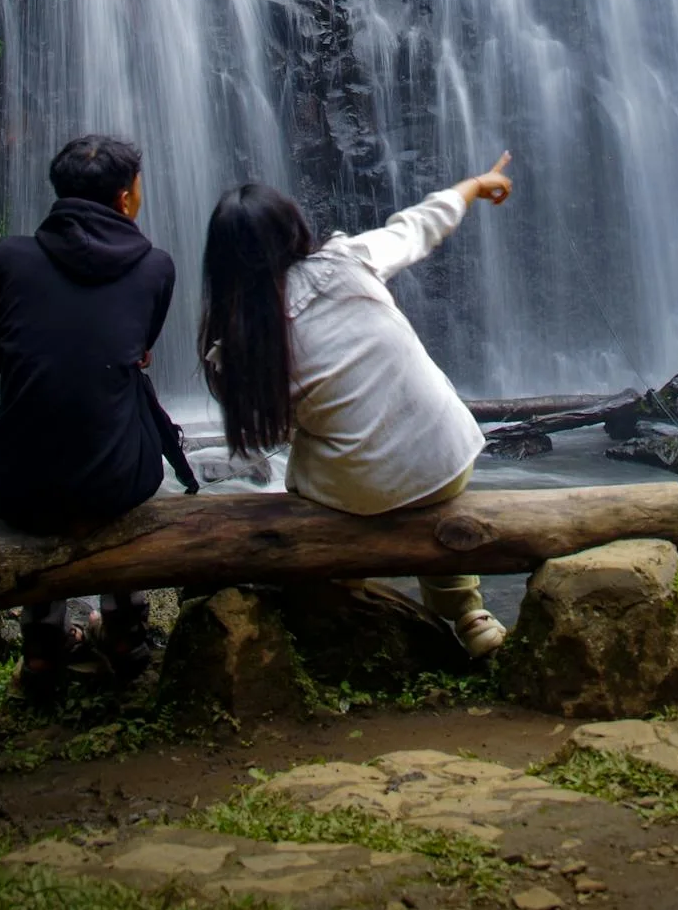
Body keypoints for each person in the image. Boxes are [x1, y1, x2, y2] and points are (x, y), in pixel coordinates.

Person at [198, 153, 514, 658]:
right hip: (450, 455)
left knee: (303, 468)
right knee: (419, 484)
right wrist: (475, 185)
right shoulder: (348, 259)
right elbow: (418, 225)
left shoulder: (240, 344)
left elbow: (273, 428)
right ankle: (471, 615)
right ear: (294, 228)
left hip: (368, 491)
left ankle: (341, 585)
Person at [0, 134, 193, 696]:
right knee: (117, 417)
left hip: (13, 485)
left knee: (42, 431)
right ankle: (124, 633)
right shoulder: (156, 268)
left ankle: (44, 647)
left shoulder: (8, 258)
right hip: (116, 482)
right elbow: (137, 351)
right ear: (125, 201)